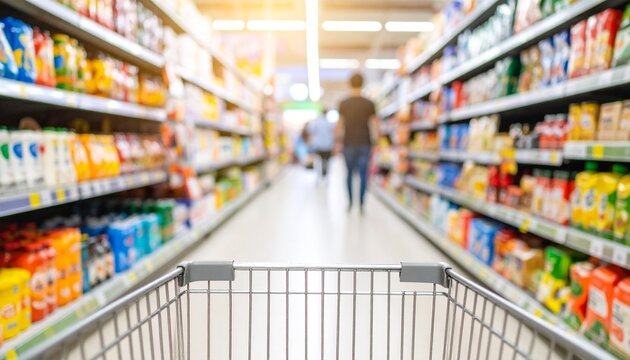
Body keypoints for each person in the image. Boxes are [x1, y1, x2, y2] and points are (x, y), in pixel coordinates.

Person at [336, 73, 379, 212]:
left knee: (348, 173)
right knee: (363, 174)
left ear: (350, 84)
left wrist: (337, 142)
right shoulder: (369, 103)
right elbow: (374, 125)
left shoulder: (344, 103)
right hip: (365, 143)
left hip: (348, 143)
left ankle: (349, 202)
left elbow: (339, 125)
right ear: (363, 84)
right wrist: (377, 141)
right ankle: (361, 204)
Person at [307, 108, 334, 179]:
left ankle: (319, 175)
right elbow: (333, 132)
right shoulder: (329, 122)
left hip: (318, 145)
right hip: (328, 145)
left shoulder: (317, 122)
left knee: (318, 161)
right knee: (326, 161)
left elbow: (309, 129)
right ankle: (325, 174)